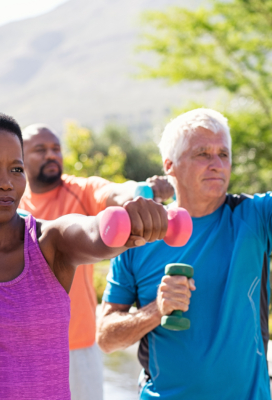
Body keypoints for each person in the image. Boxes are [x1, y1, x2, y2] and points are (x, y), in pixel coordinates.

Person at [0, 112, 168, 400]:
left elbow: (93, 233)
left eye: (16, 170)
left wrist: (129, 222)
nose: (6, 183)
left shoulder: (51, 242)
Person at [96, 108, 272, 400]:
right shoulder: (139, 236)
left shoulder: (255, 214)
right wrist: (156, 310)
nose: (217, 164)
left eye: (224, 154)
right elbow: (105, 337)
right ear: (170, 165)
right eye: (203, 154)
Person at [19, 123, 174, 400]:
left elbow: (116, 192)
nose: (51, 155)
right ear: (19, 157)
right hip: (21, 348)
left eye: (56, 148)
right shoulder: (12, 203)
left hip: (77, 345)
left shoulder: (81, 189)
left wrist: (143, 191)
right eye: (40, 150)